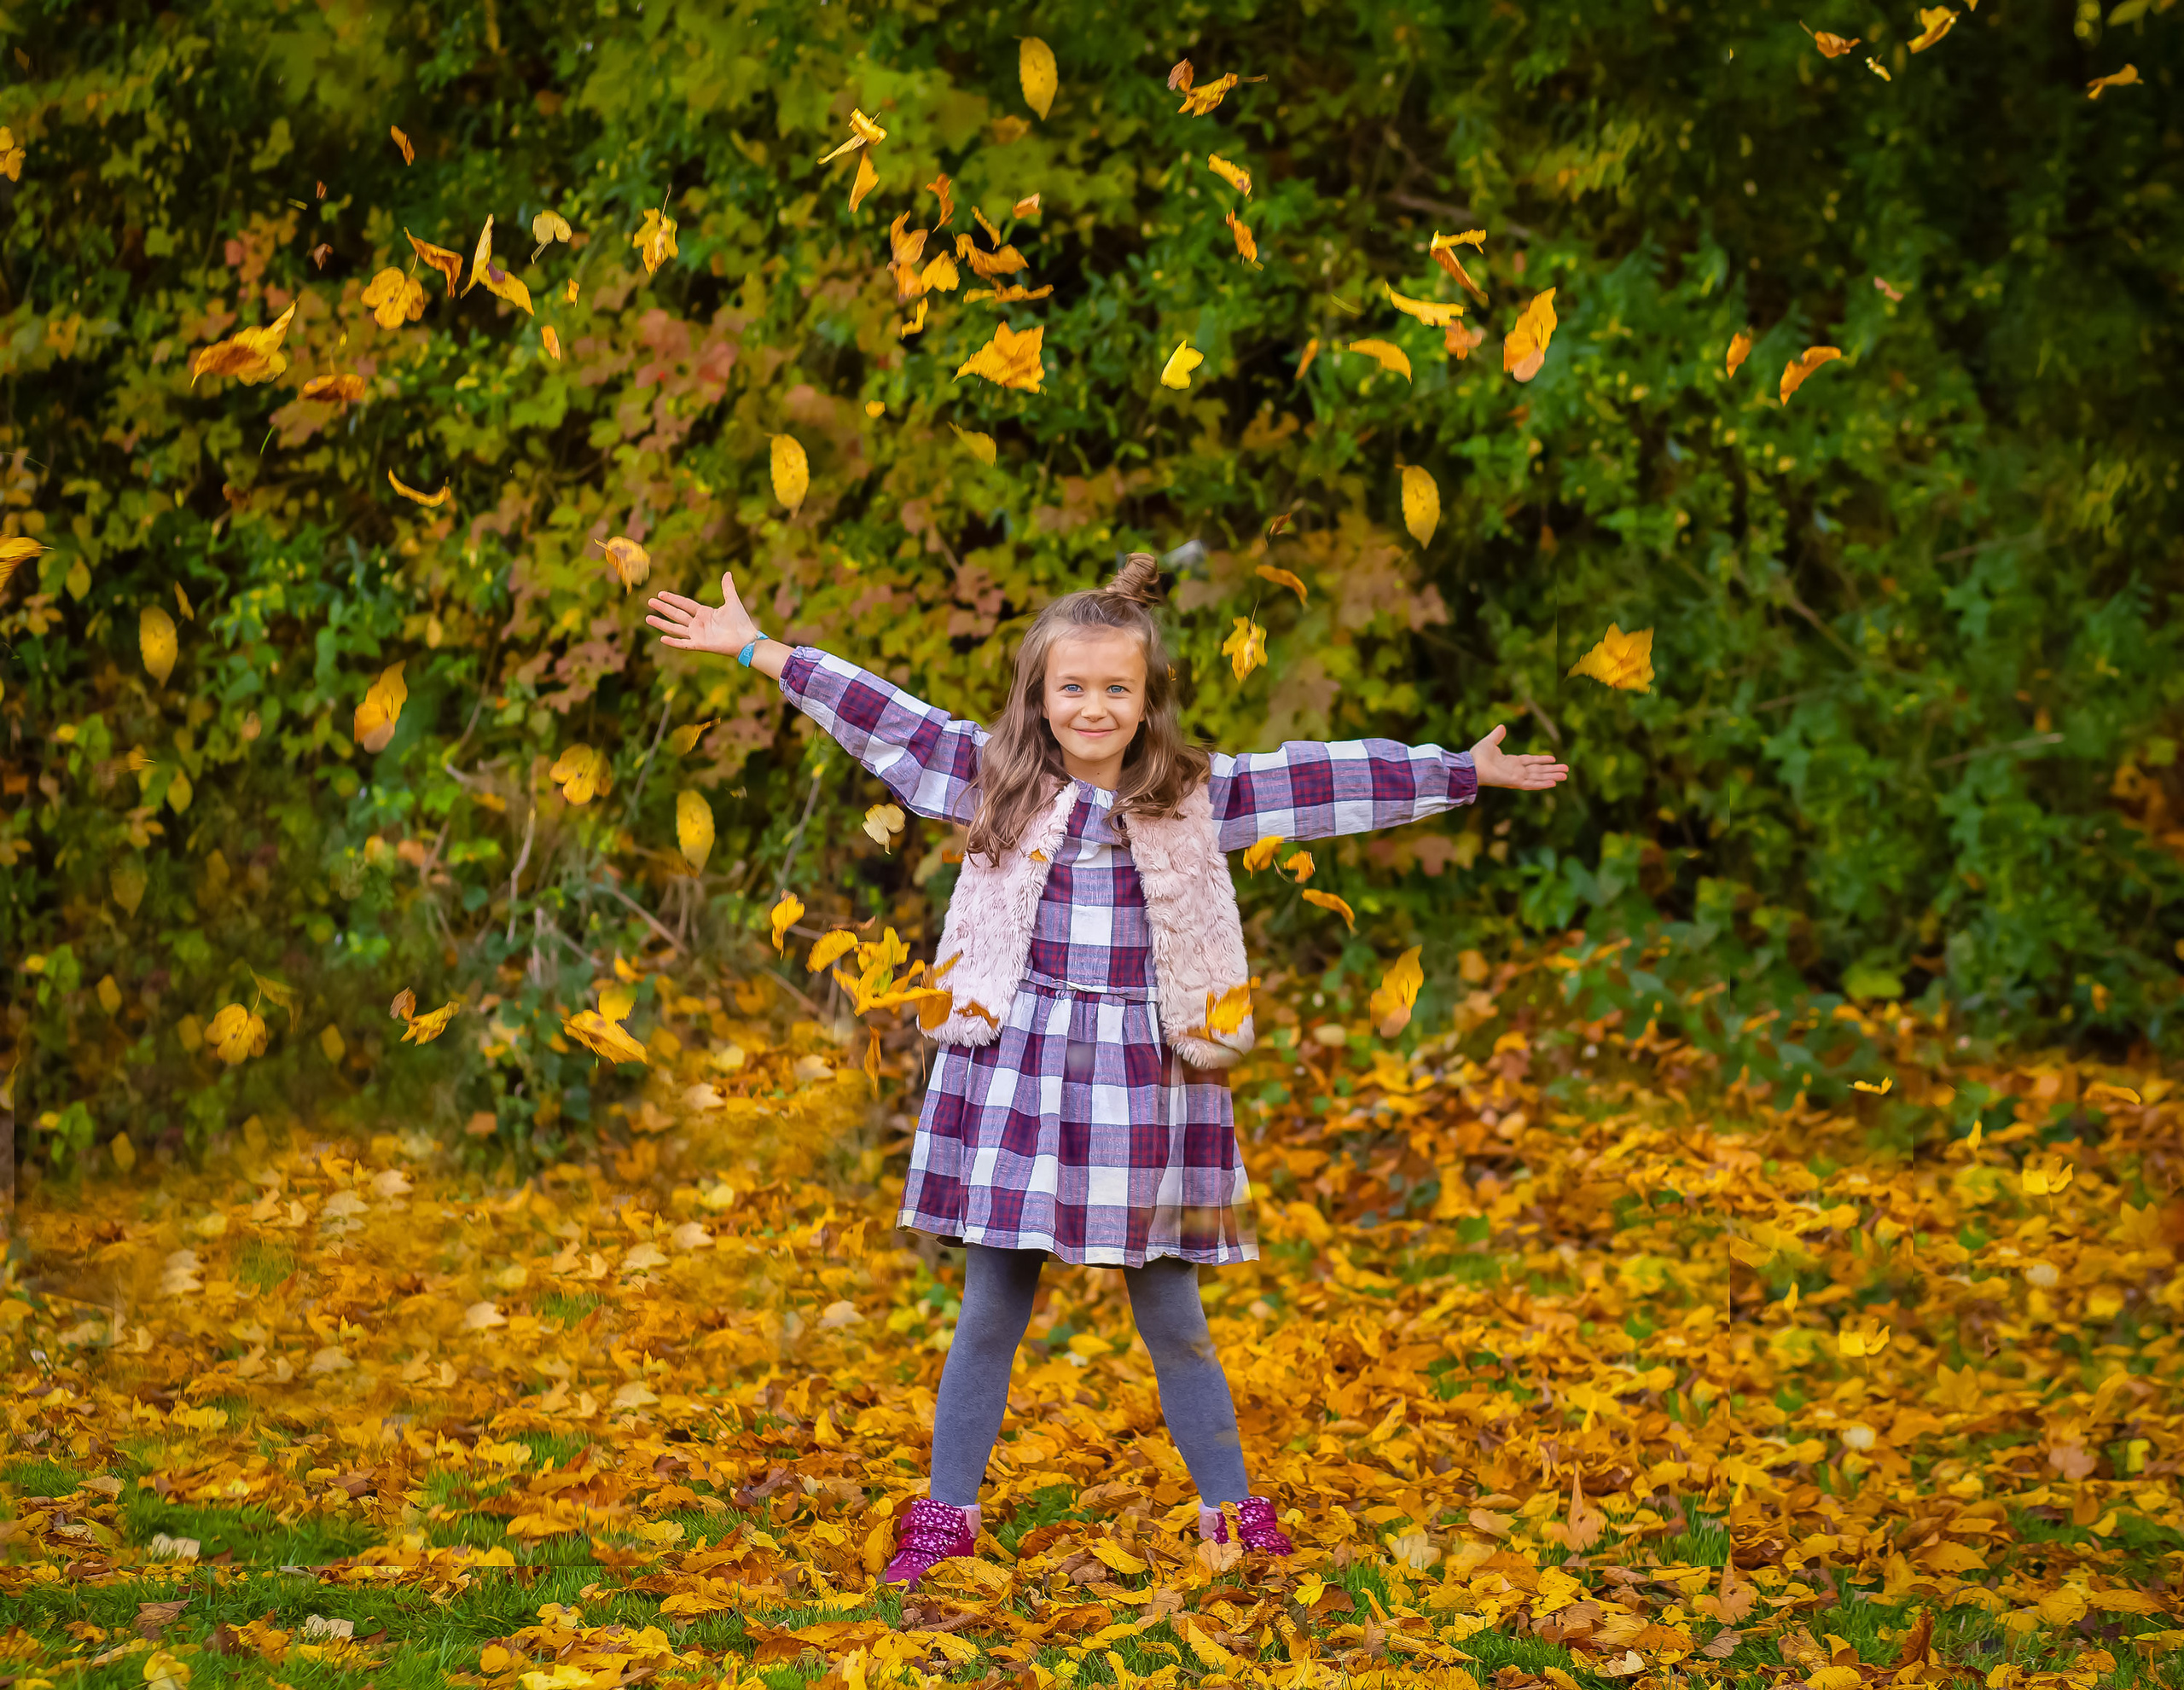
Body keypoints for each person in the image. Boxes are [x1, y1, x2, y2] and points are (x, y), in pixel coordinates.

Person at [647, 553, 1567, 1587]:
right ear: (1039, 695)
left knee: (1173, 1313)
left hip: (1147, 1076)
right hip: (1019, 1067)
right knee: (990, 1307)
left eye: (1117, 688)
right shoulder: (995, 777)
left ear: (1148, 698)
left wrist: (1457, 770)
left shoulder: (1191, 795)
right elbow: (888, 719)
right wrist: (759, 650)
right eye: (1073, 687)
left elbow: (1320, 780)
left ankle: (1230, 1510)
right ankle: (947, 1513)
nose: (1094, 707)